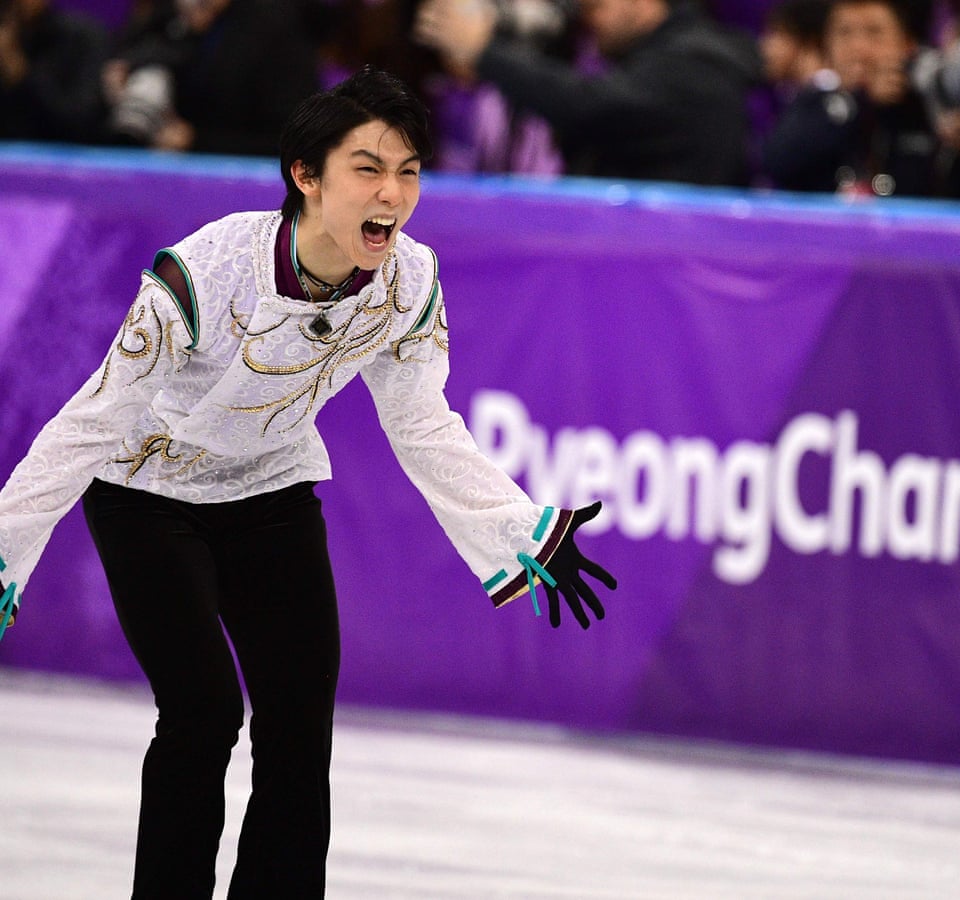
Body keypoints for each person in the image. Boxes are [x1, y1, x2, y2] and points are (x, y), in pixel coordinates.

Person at [0, 66, 616, 899]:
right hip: (147, 494)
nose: (392, 193)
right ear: (306, 176)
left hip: (273, 493)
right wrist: (7, 540)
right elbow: (94, 418)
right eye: (368, 168)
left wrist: (515, 524)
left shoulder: (407, 281)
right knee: (204, 711)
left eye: (409, 171)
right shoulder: (209, 269)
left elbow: (422, 422)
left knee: (298, 727)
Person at [414, 0, 762, 186]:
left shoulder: (692, 65)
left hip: (669, 263)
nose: (589, 17)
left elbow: (587, 104)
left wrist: (484, 51)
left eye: (598, 6)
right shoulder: (661, 58)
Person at [762, 0, 960, 202]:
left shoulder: (932, 105)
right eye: (844, 32)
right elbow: (778, 164)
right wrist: (860, 102)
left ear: (907, 43)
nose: (858, 48)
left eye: (874, 32)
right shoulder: (816, 104)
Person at [103, 0, 320, 154]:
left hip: (239, 178)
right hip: (154, 165)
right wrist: (118, 78)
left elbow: (292, 137)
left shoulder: (276, 30)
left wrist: (196, 141)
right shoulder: (166, 18)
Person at [0, 0, 110, 143]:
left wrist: (21, 74)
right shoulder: (8, 38)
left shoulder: (82, 39)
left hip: (67, 150)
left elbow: (79, 123)